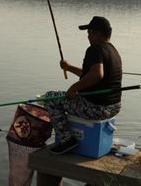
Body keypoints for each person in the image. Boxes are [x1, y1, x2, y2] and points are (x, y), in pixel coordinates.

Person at [42, 16, 122, 154]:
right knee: (60, 98)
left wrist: (73, 88)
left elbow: (97, 75)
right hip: (114, 107)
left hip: (96, 108)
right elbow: (90, 75)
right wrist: (69, 67)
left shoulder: (95, 49)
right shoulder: (113, 51)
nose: (88, 37)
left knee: (51, 99)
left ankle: (67, 140)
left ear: (97, 34)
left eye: (89, 33)